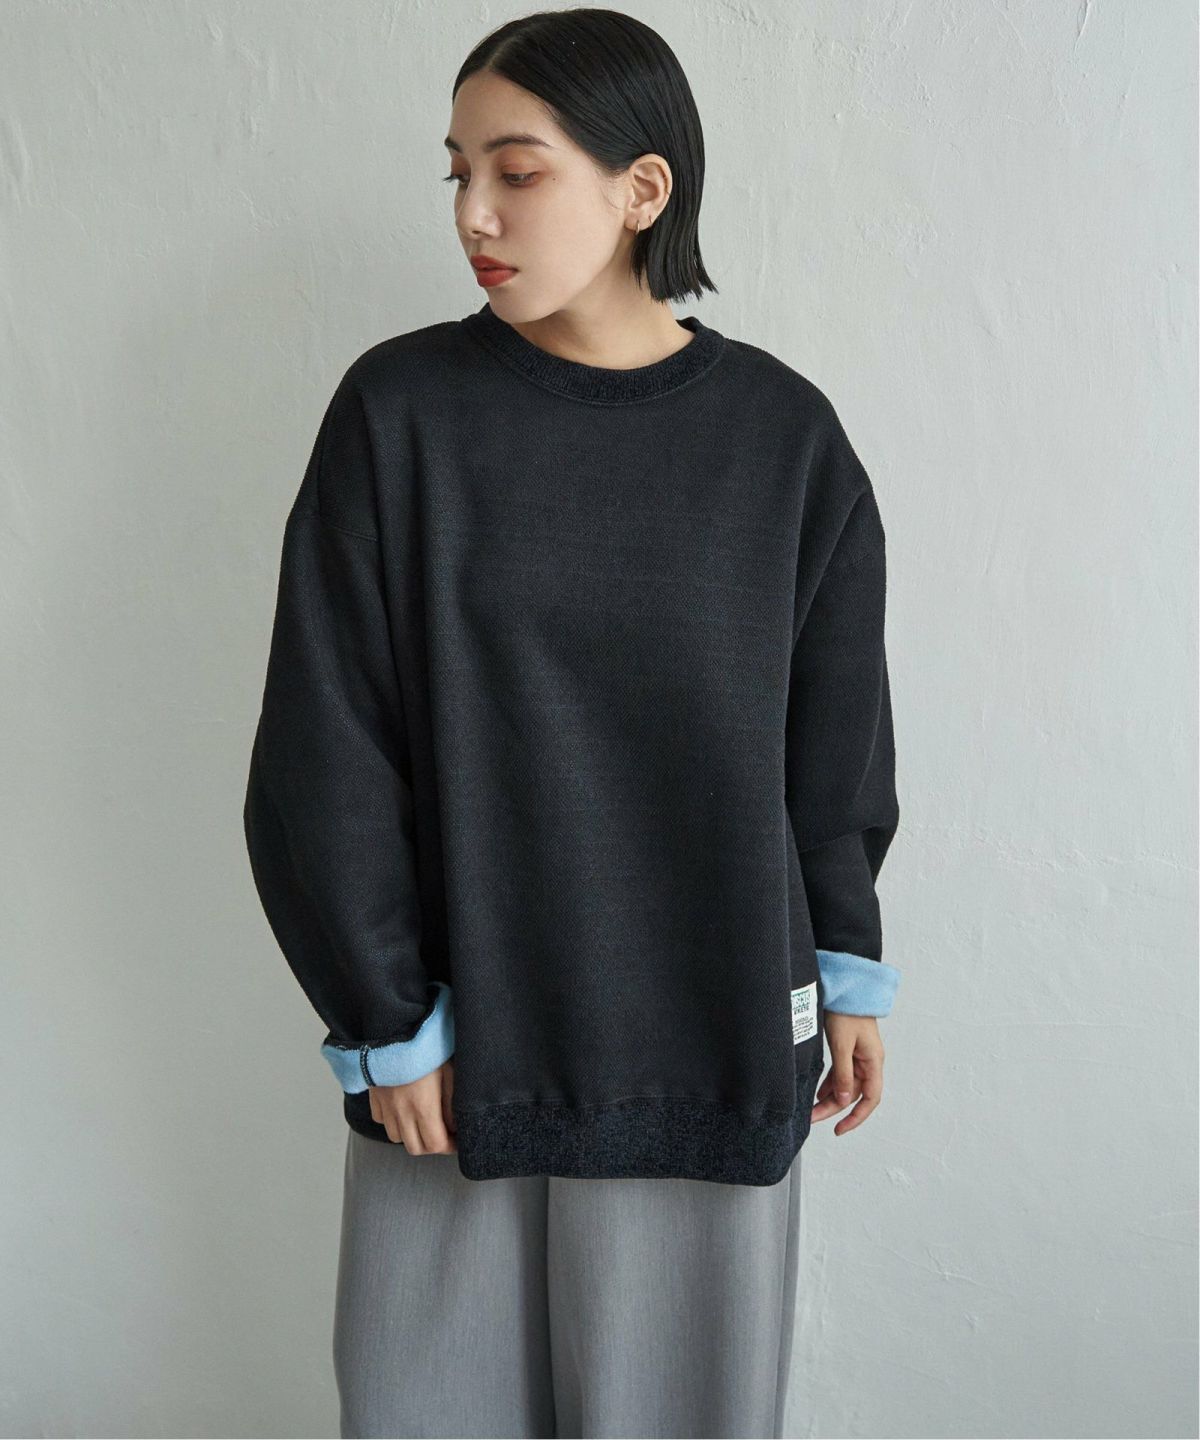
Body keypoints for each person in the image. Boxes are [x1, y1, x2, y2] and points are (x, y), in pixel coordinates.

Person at [242, 9, 901, 1437]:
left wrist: (846, 964)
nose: (473, 213)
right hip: (458, 1060)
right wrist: (387, 1020)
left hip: (711, 1037)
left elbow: (835, 745)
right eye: (458, 171)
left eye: (518, 170)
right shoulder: (402, 415)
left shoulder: (784, 442)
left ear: (642, 189)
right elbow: (324, 745)